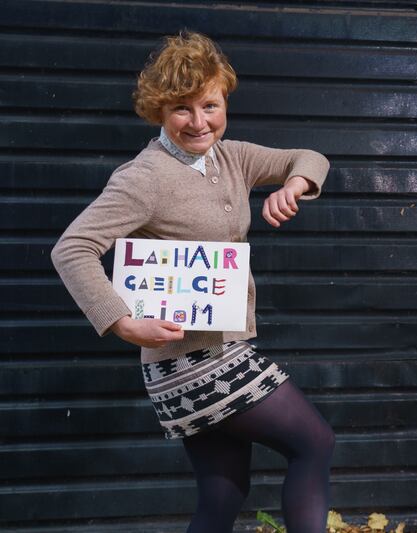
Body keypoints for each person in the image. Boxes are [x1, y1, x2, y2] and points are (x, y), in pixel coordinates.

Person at [50, 31, 334, 533]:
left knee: (223, 495)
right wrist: (122, 323)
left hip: (215, 354)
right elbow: (72, 249)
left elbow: (309, 158)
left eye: (210, 104)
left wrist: (292, 186)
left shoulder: (230, 157)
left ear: (224, 101)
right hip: (191, 362)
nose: (200, 122)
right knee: (314, 443)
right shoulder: (144, 177)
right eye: (182, 109)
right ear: (159, 111)